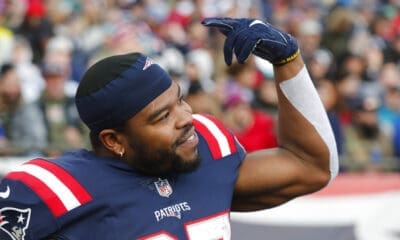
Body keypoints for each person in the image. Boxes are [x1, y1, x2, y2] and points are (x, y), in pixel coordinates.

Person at [0, 17, 338, 239]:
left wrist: (288, 63)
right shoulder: (57, 189)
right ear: (114, 139)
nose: (186, 117)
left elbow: (312, 167)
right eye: (162, 117)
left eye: (180, 100)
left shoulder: (207, 149)